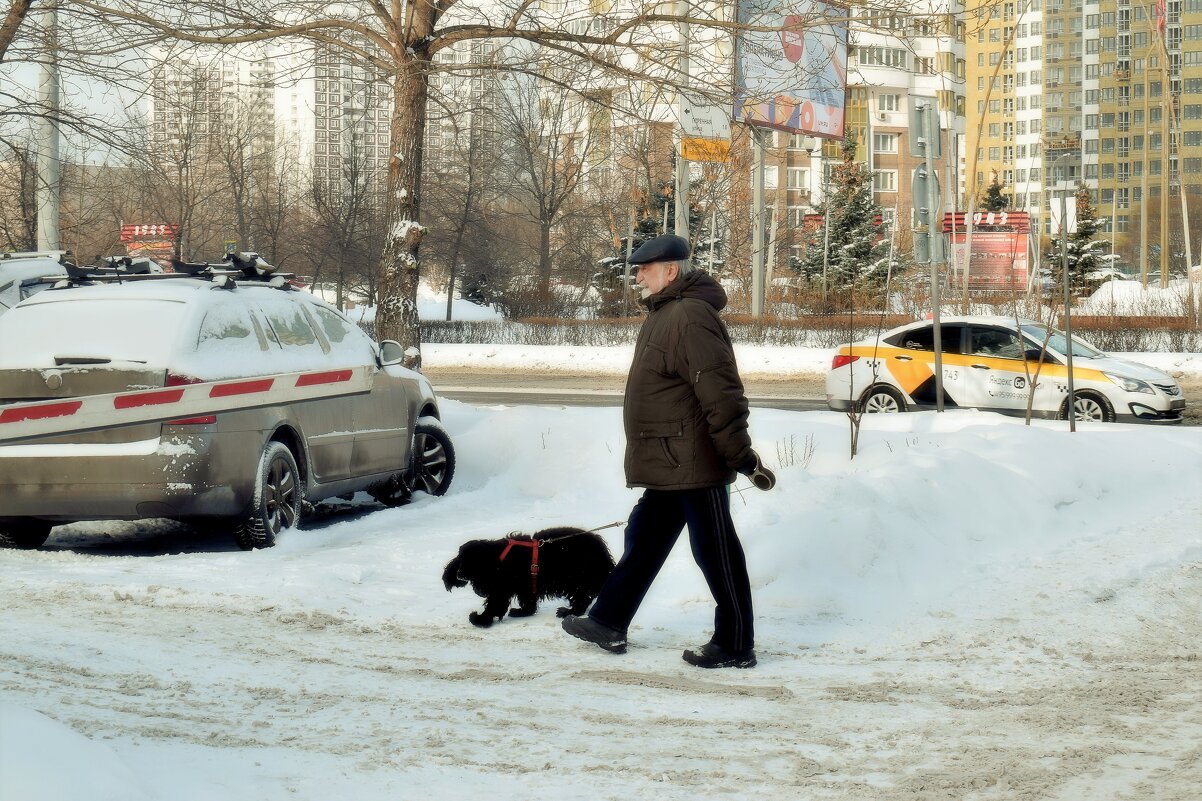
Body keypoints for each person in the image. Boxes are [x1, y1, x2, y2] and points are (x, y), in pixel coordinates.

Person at [561, 234, 776, 669]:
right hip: (671, 457)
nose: (637, 275)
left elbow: (721, 391)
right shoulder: (667, 312)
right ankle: (608, 620)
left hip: (694, 460)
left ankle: (736, 644)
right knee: (644, 538)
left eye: (645, 268)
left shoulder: (691, 316)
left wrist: (739, 454)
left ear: (671, 270)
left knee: (715, 552)